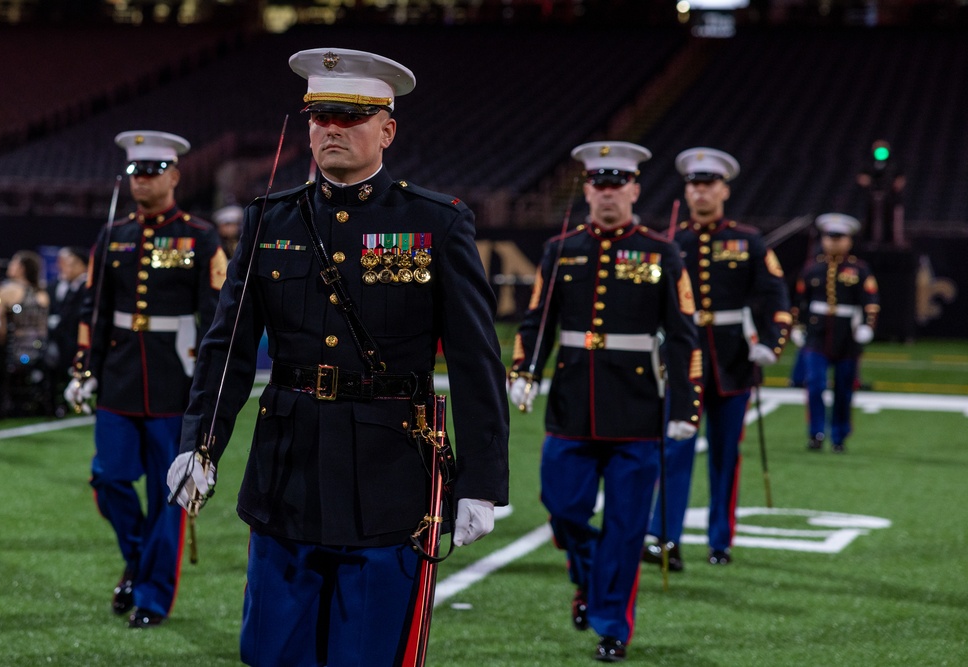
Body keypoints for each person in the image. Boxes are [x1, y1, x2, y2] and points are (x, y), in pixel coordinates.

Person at [166, 48, 509, 666]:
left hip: (389, 482)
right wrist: (201, 443)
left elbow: (476, 360)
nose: (331, 128)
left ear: (387, 130)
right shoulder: (269, 220)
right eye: (320, 116)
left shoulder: (436, 222)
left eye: (351, 116)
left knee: (367, 655)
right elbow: (228, 347)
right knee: (270, 652)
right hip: (286, 474)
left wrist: (481, 483)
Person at [508, 141, 700, 662]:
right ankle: (589, 580)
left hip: (637, 412)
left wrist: (684, 406)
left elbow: (682, 336)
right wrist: (525, 369)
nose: (608, 193)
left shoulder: (663, 252)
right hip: (571, 407)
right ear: (587, 189)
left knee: (626, 526)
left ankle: (612, 624)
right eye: (598, 183)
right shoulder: (560, 249)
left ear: (636, 188)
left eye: (618, 184)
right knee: (563, 508)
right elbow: (537, 321)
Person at [65, 130, 226, 628]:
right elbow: (92, 308)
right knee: (108, 478)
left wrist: (211, 382)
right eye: (135, 171)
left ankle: (153, 598)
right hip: (117, 379)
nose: (143, 180)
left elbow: (213, 315)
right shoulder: (112, 236)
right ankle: (137, 560)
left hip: (174, 384)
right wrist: (83, 366)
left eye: (154, 170)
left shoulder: (200, 236)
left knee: (168, 495)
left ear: (175, 175)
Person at [642, 148, 791, 570]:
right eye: (694, 184)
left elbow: (776, 292)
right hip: (683, 362)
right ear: (686, 191)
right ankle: (663, 538)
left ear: (724, 189)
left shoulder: (748, 240)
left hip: (733, 362)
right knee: (674, 449)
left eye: (708, 184)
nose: (700, 191)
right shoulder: (672, 242)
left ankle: (719, 540)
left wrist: (772, 341)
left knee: (727, 455)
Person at [792, 213, 879, 453]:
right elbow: (800, 300)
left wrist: (866, 326)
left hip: (846, 337)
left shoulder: (859, 269)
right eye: (830, 237)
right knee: (815, 384)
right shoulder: (812, 268)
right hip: (816, 334)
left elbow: (870, 300)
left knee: (843, 388)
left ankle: (839, 435)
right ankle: (816, 433)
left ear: (849, 241)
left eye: (839, 238)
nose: (834, 242)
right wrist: (798, 326)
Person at [0, 250, 52, 418]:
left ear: (22, 268)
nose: (9, 266)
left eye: (13, 263)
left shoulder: (7, 290)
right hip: (39, 352)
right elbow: (43, 327)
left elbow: (0, 329)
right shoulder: (42, 294)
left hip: (14, 352)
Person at [47, 246, 89, 417]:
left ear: (81, 265)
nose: (66, 269)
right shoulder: (71, 286)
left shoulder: (86, 286)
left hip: (76, 340)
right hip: (67, 339)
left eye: (70, 265)